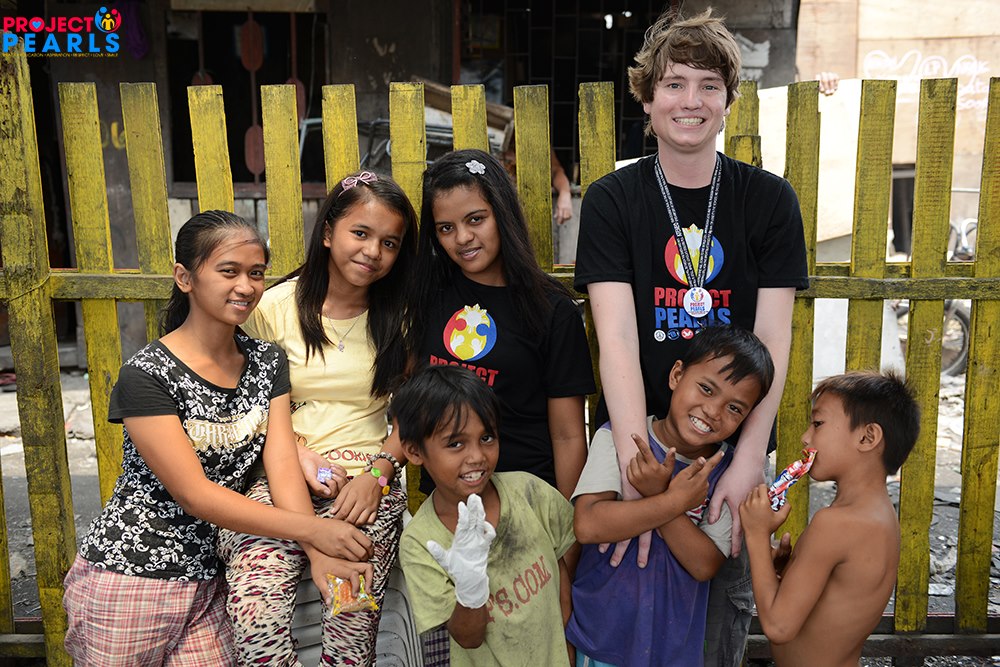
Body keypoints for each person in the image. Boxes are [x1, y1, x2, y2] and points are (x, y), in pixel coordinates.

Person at [572, 9, 809, 664]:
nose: (691, 101)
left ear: (729, 101)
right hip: (640, 432)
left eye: (709, 86)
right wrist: (636, 463)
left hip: (730, 451)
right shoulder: (613, 199)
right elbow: (616, 336)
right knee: (619, 618)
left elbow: (773, 338)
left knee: (714, 623)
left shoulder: (770, 200)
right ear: (647, 100)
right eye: (674, 84)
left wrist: (750, 456)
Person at [62, 211, 374, 666]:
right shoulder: (147, 375)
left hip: (213, 580)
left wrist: (317, 551)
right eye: (229, 271)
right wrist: (315, 531)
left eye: (256, 273)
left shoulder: (266, 361)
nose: (246, 286)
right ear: (185, 278)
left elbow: (281, 463)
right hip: (132, 576)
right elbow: (195, 495)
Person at [218, 171, 418, 667]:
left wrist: (379, 474)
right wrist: (298, 456)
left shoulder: (402, 317)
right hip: (276, 476)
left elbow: (415, 411)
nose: (373, 251)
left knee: (352, 608)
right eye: (360, 233)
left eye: (389, 243)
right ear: (328, 232)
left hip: (361, 485)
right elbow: (241, 406)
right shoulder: (273, 309)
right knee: (257, 608)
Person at [567, 326, 774, 667]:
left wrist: (660, 497)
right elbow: (588, 525)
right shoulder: (619, 440)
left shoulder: (728, 474)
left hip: (674, 648)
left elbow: (704, 564)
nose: (713, 411)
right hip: (602, 636)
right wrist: (672, 502)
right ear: (677, 375)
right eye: (706, 389)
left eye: (735, 408)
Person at [405, 148, 595, 501]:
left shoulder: (552, 311)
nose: (462, 238)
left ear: (502, 214)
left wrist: (567, 524)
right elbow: (411, 401)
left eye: (476, 219)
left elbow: (568, 436)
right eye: (446, 228)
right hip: (448, 505)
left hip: (527, 497)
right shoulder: (428, 296)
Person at [396, 365, 576, 666]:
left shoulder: (530, 492)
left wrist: (567, 651)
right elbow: (468, 638)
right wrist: (470, 590)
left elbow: (562, 580)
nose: (477, 456)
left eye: (487, 438)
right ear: (414, 452)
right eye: (455, 444)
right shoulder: (421, 542)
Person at [740, 371, 920, 667]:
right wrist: (786, 573)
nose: (805, 437)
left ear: (867, 437)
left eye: (818, 424)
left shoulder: (834, 524)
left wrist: (757, 535)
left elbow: (778, 626)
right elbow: (835, 598)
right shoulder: (883, 518)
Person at [500, 120, 575, 224]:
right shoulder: (495, 143)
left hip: (536, 211)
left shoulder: (538, 142)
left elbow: (556, 171)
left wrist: (565, 193)